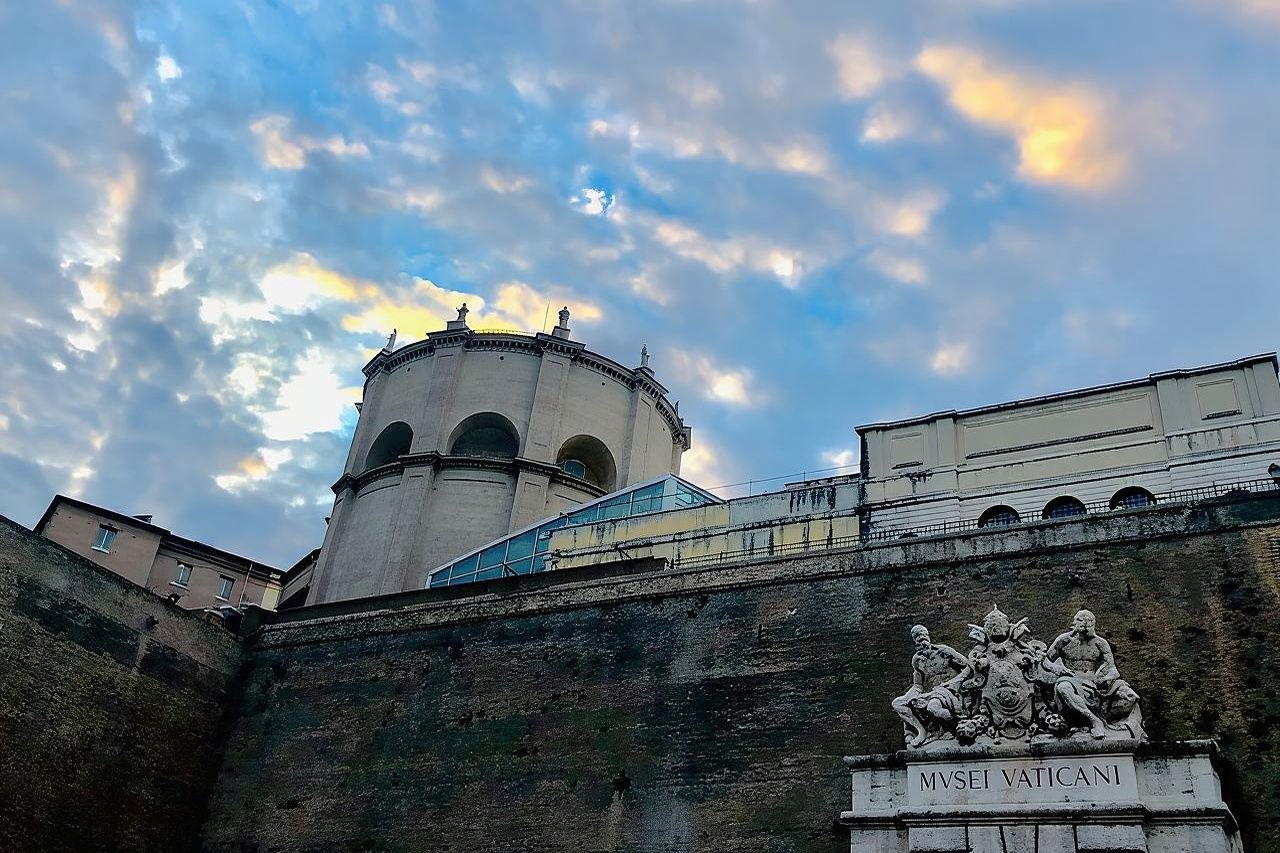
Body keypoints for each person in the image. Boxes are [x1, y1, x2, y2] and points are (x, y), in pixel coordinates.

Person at [1046, 610, 1140, 738]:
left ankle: (1104, 719)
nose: (1084, 624)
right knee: (1063, 688)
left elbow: (1112, 669)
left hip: (1094, 681)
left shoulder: (1100, 643)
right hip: (1071, 679)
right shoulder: (1064, 641)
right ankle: (1094, 721)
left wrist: (1105, 679)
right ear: (1074, 623)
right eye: (1080, 620)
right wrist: (1058, 670)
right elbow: (1046, 661)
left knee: (1129, 696)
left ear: (1093, 624)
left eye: (1088, 621)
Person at [892, 625, 970, 747]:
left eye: (923, 636)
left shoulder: (944, 652)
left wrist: (956, 682)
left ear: (928, 636)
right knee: (898, 703)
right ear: (914, 641)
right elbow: (918, 685)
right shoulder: (917, 660)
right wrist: (911, 696)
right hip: (934, 692)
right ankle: (921, 732)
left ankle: (956, 725)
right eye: (917, 637)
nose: (921, 639)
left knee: (933, 707)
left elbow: (967, 666)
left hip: (950, 690)